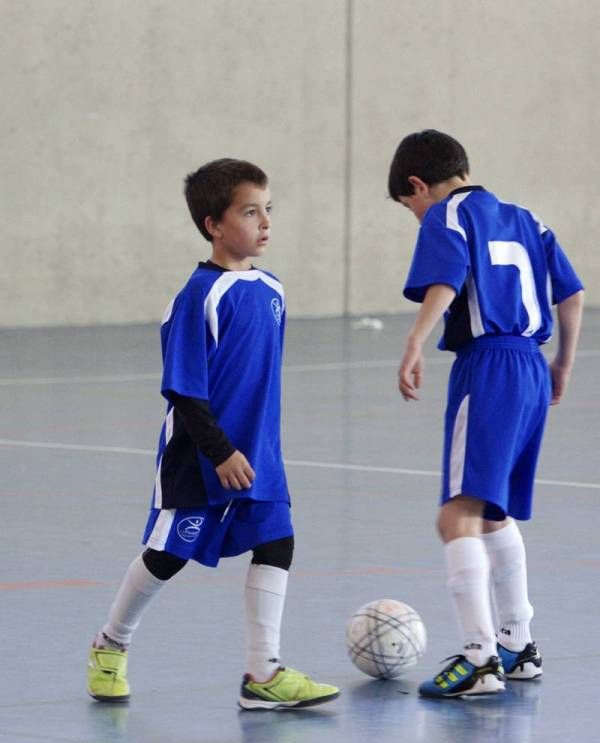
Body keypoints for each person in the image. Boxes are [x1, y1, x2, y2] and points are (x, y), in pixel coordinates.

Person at [87, 158, 340, 710]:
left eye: (268, 210)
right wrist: (220, 452)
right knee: (168, 556)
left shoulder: (273, 289)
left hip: (258, 456)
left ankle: (262, 674)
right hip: (200, 458)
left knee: (277, 542)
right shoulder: (198, 297)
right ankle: (111, 644)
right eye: (250, 212)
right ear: (213, 225)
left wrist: (256, 450)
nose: (265, 222)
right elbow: (183, 389)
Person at [387, 130, 584, 698]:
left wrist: (415, 342)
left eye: (409, 206)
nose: (415, 216)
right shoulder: (528, 218)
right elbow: (570, 294)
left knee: (456, 517)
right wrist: (564, 364)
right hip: (531, 364)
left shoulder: (446, 217)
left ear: (418, 185)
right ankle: (518, 645)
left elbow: (446, 280)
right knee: (492, 512)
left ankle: (478, 658)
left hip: (489, 367)